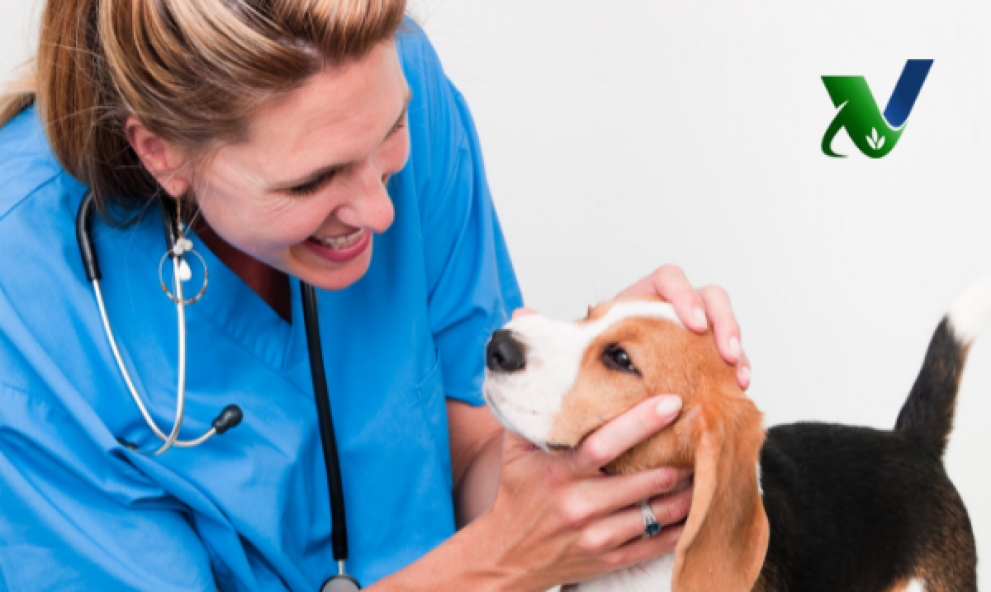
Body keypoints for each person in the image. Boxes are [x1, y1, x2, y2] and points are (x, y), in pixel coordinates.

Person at [0, 1, 751, 590]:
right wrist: (495, 564)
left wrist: (581, 409)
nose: (381, 212)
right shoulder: (24, 293)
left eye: (390, 136)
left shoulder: (384, 76)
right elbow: (499, 552)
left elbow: (473, 450)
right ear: (159, 152)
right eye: (313, 181)